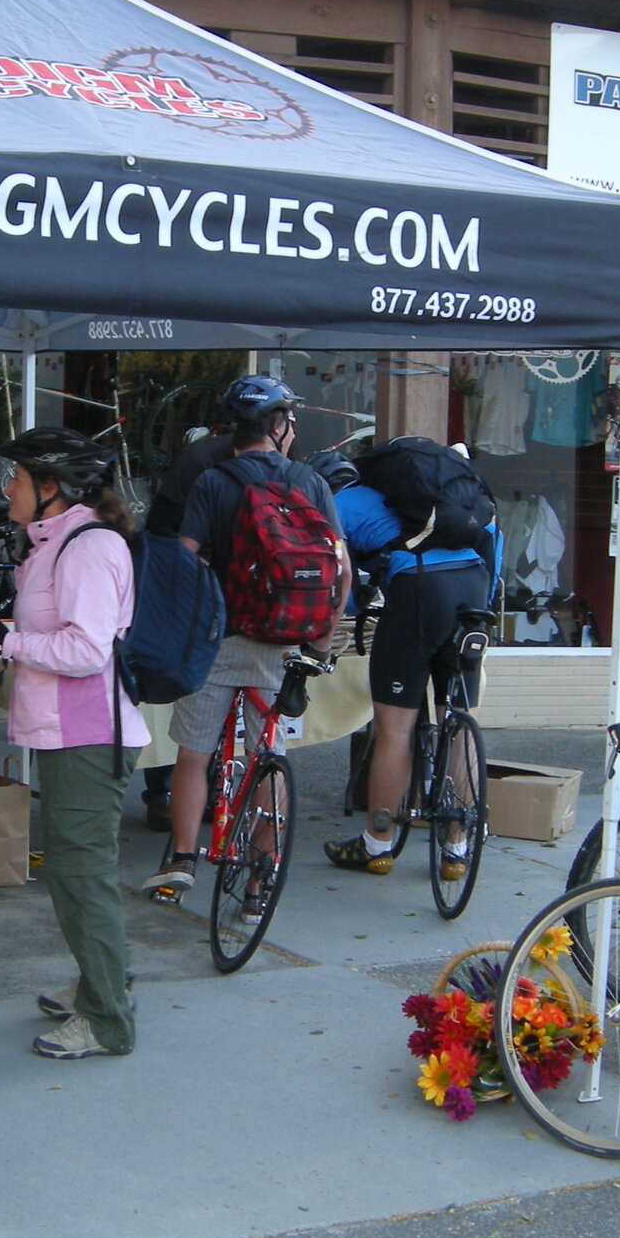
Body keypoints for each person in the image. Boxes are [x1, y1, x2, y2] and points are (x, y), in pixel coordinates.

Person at [0, 427, 148, 1058]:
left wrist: (5, 638)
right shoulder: (55, 541)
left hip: (90, 734)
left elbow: (86, 649)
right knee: (78, 872)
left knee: (80, 874)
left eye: (15, 478)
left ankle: (106, 1020)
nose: (5, 487)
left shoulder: (89, 547)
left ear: (51, 488)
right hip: (69, 731)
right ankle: (103, 983)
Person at [144, 375, 345, 905]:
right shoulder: (312, 483)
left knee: (193, 754)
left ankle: (184, 857)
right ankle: (260, 875)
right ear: (279, 427)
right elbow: (340, 568)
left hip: (221, 640)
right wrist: (321, 641)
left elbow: (184, 559)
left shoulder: (213, 481)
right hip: (286, 645)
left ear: (233, 429)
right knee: (269, 755)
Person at [319, 451, 496, 875]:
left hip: (419, 592)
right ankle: (457, 849)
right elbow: (493, 542)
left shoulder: (341, 503)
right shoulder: (450, 501)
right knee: (462, 721)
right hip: (474, 587)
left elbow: (340, 579)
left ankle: (377, 843)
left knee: (395, 730)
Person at [133, 419, 238, 830]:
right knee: (184, 694)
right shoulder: (276, 464)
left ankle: (166, 799)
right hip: (208, 594)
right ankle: (173, 794)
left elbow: (164, 530)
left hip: (187, 593)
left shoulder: (198, 459)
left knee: (172, 691)